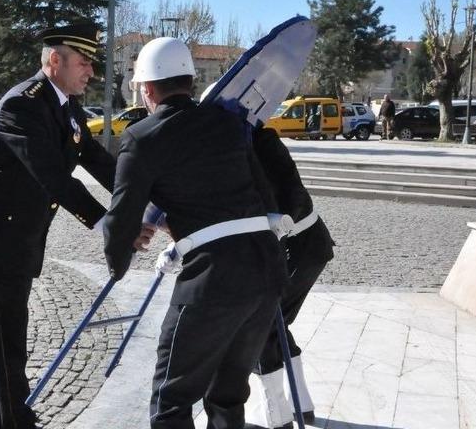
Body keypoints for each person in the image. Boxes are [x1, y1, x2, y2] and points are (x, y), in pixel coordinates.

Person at [103, 37, 287, 429]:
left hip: (215, 277)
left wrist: (118, 260)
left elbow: (123, 217)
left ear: (148, 90)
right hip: (267, 267)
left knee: (172, 395)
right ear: (188, 80)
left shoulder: (141, 137)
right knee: (228, 392)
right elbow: (259, 189)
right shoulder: (228, 121)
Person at [0, 23, 132, 429]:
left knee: (1, 322)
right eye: (84, 63)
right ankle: (13, 417)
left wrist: (141, 195)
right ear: (55, 61)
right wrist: (107, 222)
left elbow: (97, 160)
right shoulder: (22, 105)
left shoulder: (65, 106)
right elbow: (53, 175)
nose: (91, 72)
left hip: (22, 234)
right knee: (8, 331)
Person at [244, 126, 335, 429]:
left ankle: (277, 413)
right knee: (274, 322)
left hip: (293, 247)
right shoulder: (261, 137)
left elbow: (284, 199)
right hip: (307, 244)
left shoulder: (252, 144)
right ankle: (301, 404)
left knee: (261, 325)